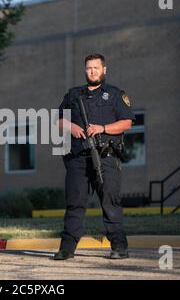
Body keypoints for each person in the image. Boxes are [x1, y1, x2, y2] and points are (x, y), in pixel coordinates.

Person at [54, 53, 135, 260]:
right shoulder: (73, 95)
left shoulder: (116, 94)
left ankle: (119, 247)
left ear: (104, 70)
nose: (92, 71)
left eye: (96, 68)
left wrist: (102, 128)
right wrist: (70, 126)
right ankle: (67, 249)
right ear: (85, 70)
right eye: (89, 68)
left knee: (110, 202)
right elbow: (58, 120)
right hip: (78, 158)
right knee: (74, 203)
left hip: (105, 157)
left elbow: (127, 123)